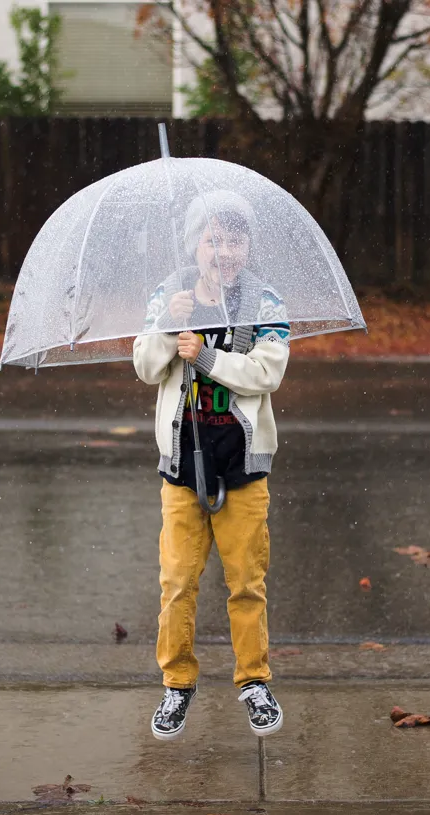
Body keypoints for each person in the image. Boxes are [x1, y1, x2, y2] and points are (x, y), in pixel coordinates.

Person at [132, 190, 290, 741]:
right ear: (195, 245)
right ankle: (177, 684)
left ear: (247, 246)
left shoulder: (263, 302)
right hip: (183, 465)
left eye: (235, 239)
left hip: (243, 462)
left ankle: (254, 680)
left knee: (247, 581)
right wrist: (164, 329)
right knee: (177, 581)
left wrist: (208, 356)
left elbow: (266, 374)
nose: (224, 250)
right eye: (213, 239)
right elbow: (146, 368)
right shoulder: (169, 296)